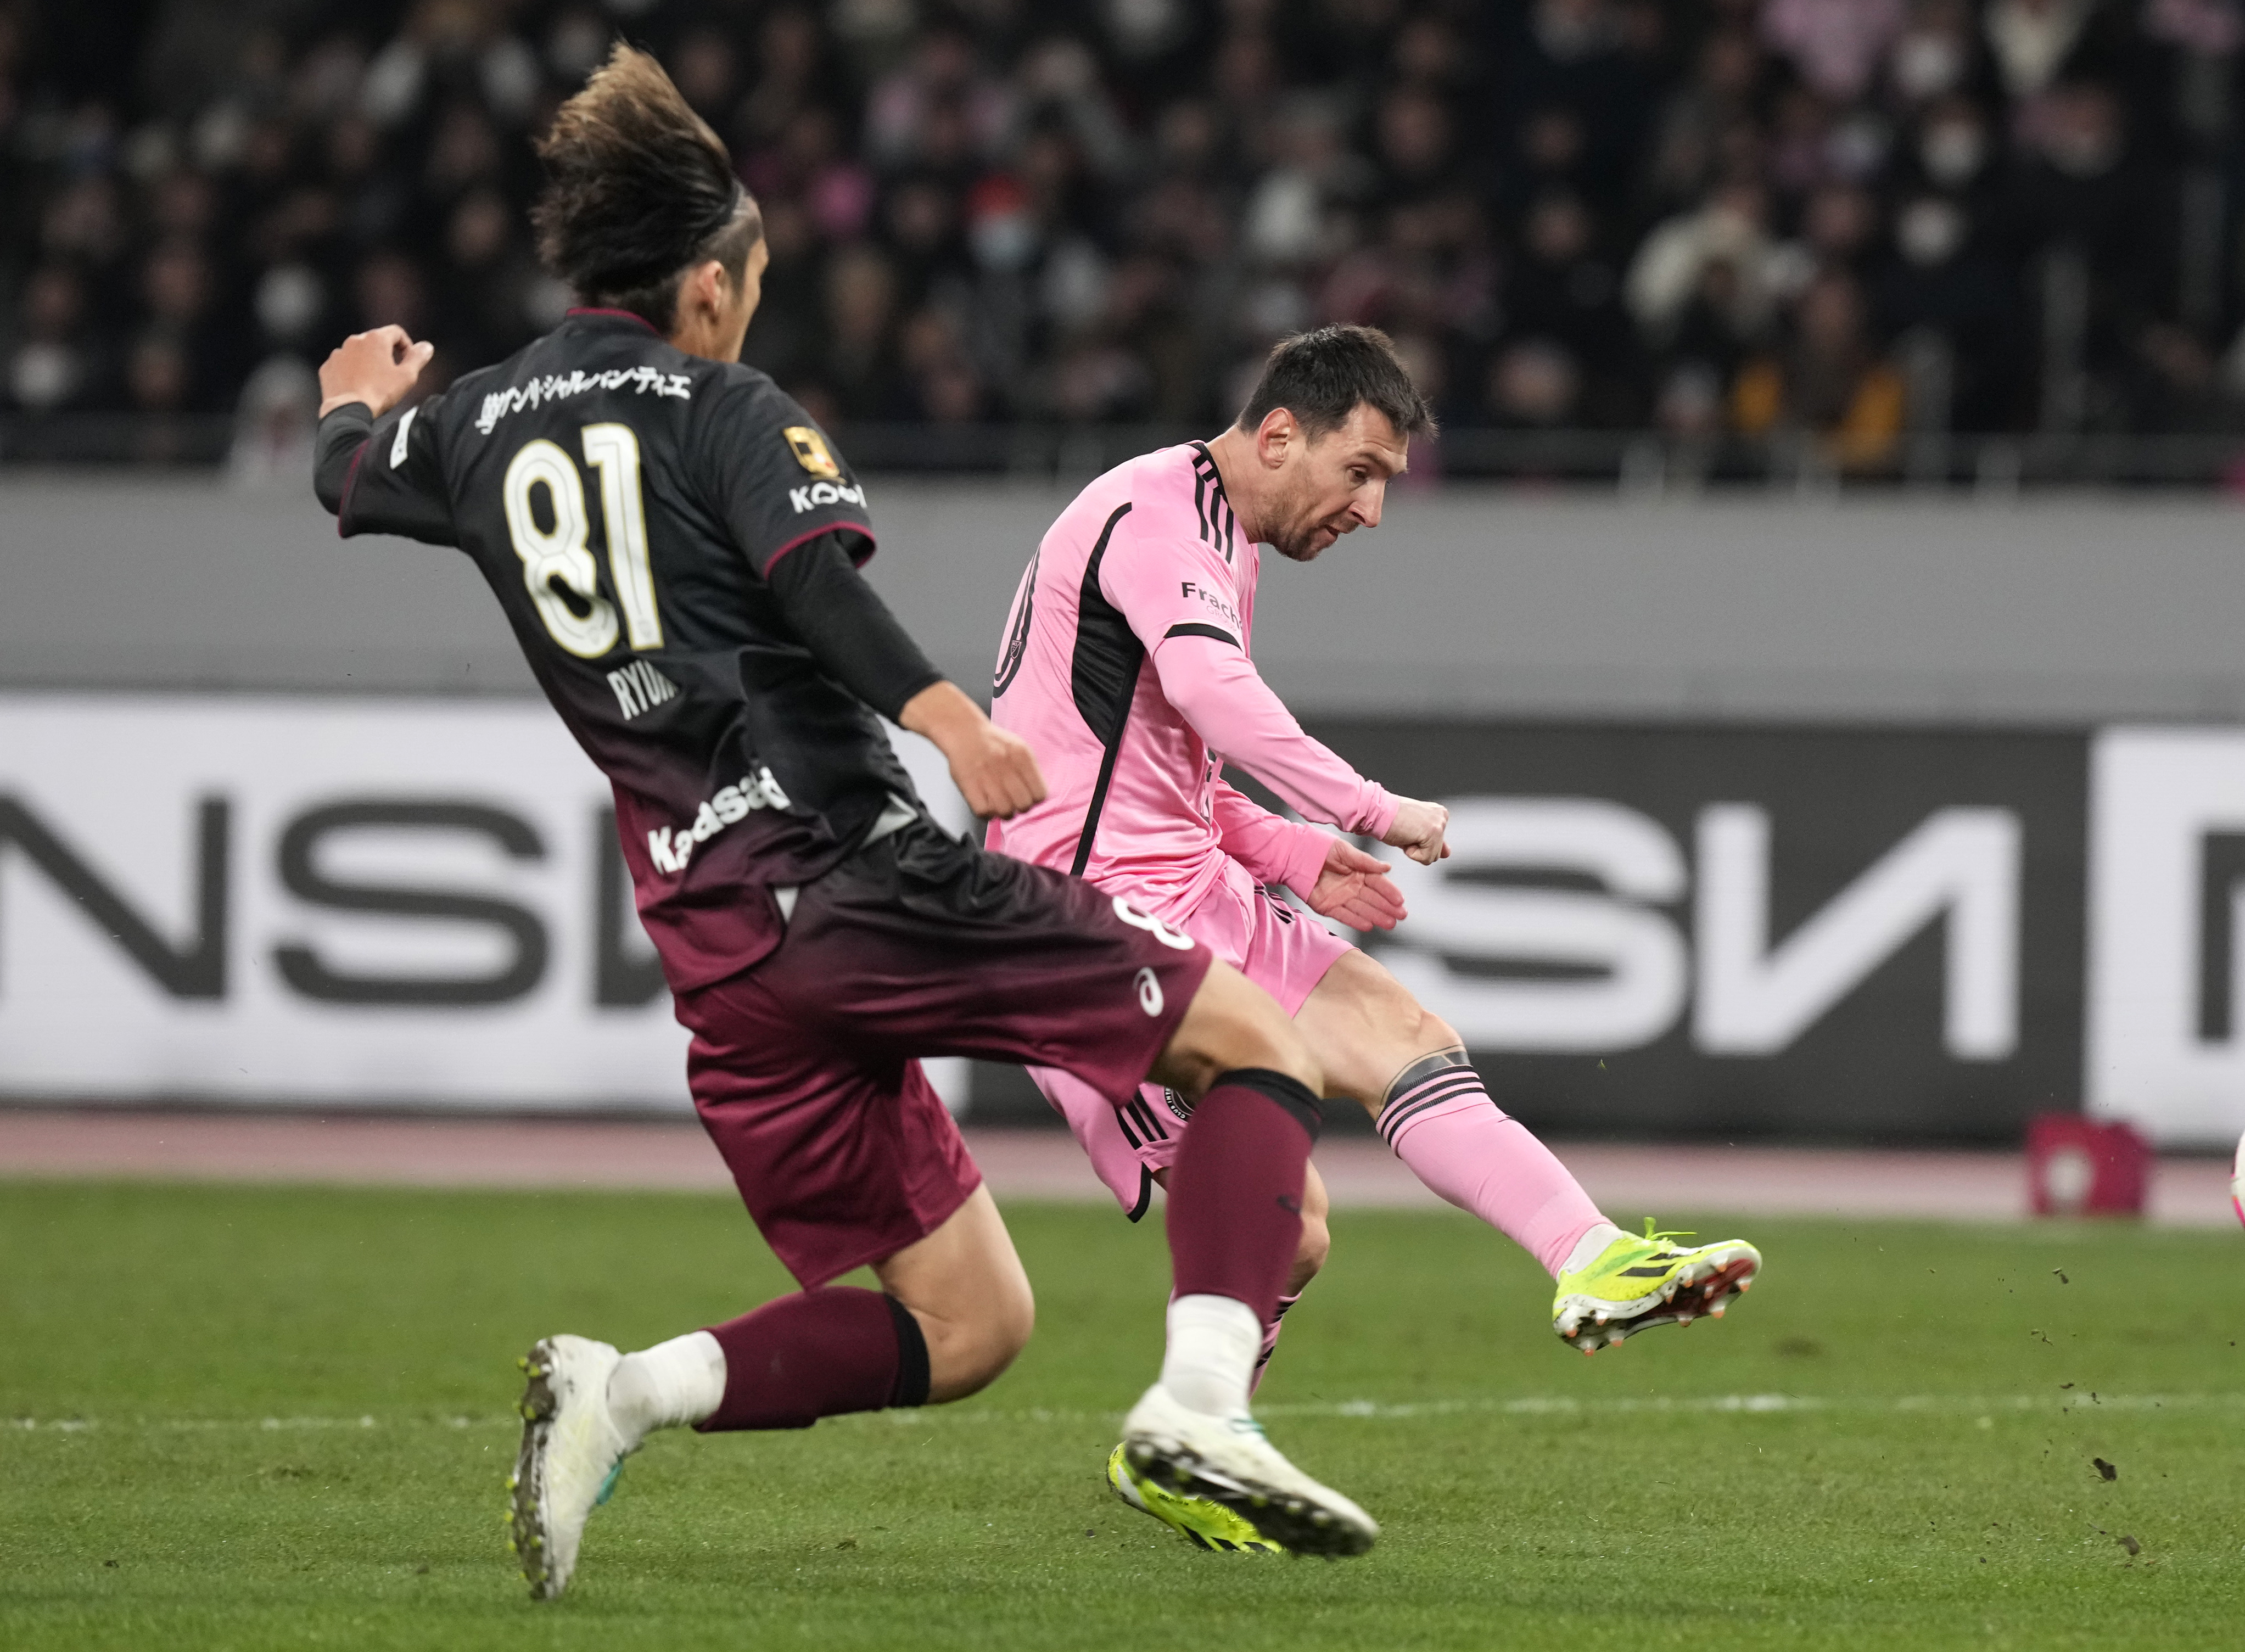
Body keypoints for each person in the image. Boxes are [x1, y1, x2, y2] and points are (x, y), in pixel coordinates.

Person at [308, 46, 1378, 1598]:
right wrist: (950, 718)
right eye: (745, 281)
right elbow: (812, 580)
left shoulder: (474, 425)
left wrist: (354, 401)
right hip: (851, 882)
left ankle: (621, 1395)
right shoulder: (718, 401)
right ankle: (1202, 1407)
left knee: (973, 1325)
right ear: (703, 289)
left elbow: (347, 473)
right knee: (1262, 1046)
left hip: (719, 953)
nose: (750, 306)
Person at [984, 323, 1762, 1552]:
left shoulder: (1212, 536)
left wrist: (1295, 854)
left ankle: (1590, 1253)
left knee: (1408, 1035)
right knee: (1288, 1226)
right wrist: (1363, 802)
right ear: (1281, 433)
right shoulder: (1155, 509)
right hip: (1077, 921)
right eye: (1362, 470)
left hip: (1184, 882)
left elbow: (1164, 757)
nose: (1374, 508)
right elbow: (1209, 699)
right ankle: (1194, 1434)